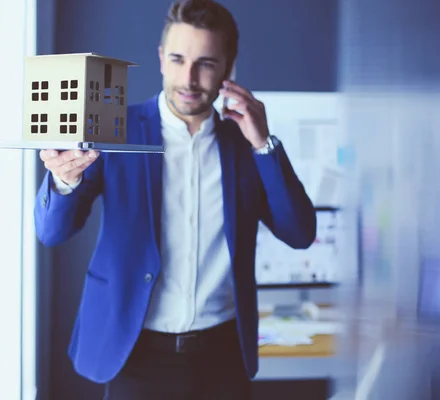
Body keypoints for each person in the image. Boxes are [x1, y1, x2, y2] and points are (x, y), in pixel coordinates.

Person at [34, 0, 316, 398]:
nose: (189, 78)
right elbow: (52, 231)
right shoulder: (115, 129)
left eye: (206, 63)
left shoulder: (246, 145)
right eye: (179, 59)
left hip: (223, 354)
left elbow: (300, 233)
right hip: (135, 350)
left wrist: (264, 144)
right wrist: (63, 182)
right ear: (162, 58)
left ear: (227, 69)